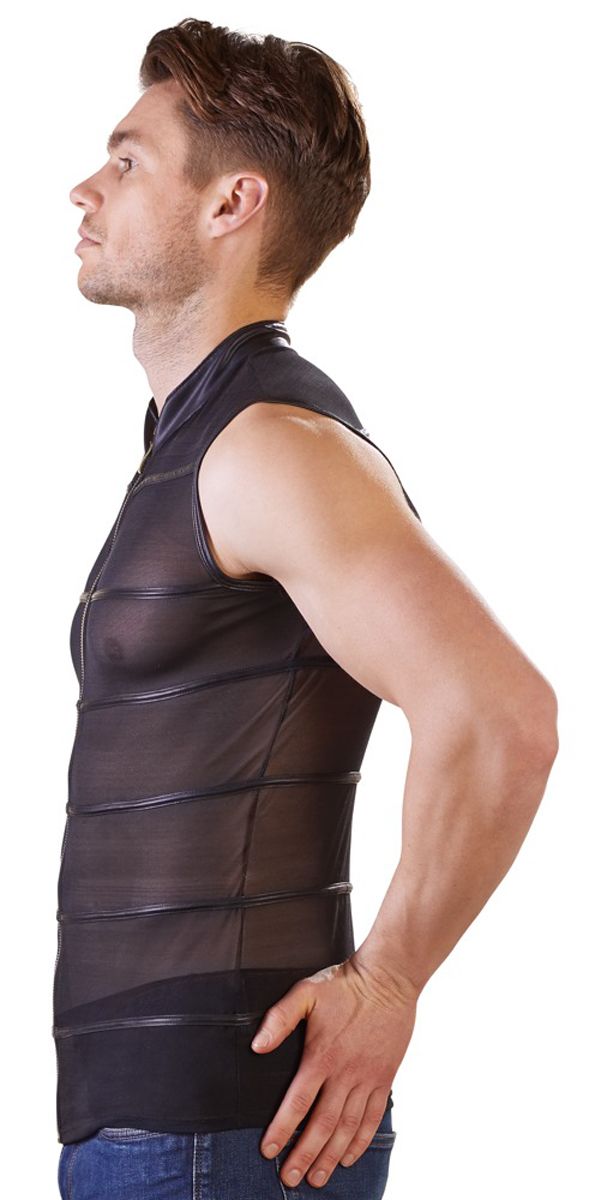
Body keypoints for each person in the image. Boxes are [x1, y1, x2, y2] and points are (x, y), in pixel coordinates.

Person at [55, 17, 559, 1199]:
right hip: (171, 1133)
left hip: (218, 1135)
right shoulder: (206, 441)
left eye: (127, 160)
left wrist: (386, 982)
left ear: (232, 203)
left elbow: (501, 716)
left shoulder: (270, 446)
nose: (85, 188)